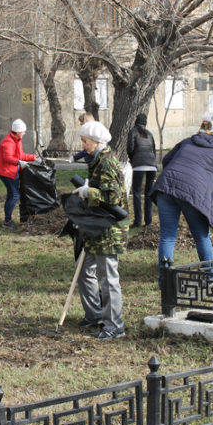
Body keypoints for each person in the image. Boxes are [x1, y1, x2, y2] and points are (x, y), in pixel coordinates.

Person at [151, 124, 213, 267]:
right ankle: (210, 278)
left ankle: (165, 281)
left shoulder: (189, 141)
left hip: (166, 188)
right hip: (192, 194)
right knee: (201, 236)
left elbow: (166, 159)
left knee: (167, 237)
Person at [72, 120, 129, 339]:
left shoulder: (106, 163)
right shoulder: (97, 160)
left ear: (96, 141)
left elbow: (112, 197)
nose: (83, 145)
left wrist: (89, 192)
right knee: (83, 268)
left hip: (109, 228)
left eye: (85, 141)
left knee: (108, 278)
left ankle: (115, 326)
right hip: (96, 225)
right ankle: (95, 315)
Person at [0, 119, 37, 228]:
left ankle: (7, 220)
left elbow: (21, 155)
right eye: (23, 131)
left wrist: (34, 158)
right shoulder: (8, 142)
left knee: (12, 195)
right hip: (6, 173)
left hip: (12, 171)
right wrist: (18, 162)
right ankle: (7, 221)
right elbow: (8, 158)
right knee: (15, 195)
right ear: (18, 132)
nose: (24, 133)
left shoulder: (17, 140)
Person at [126, 113, 157, 227]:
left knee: (137, 193)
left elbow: (130, 148)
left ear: (136, 121)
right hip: (152, 166)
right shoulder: (150, 133)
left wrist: (133, 159)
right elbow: (154, 150)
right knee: (148, 194)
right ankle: (148, 221)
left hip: (139, 165)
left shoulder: (132, 132)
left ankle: (138, 221)